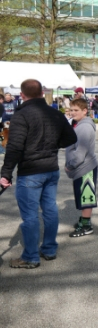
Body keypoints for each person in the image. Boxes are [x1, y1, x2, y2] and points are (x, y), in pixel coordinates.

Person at [0, 79, 77, 268]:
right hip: (50, 169)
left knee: (30, 215)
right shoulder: (55, 113)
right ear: (42, 93)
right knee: (50, 209)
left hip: (31, 172)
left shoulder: (22, 114)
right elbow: (70, 137)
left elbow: (15, 146)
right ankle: (49, 249)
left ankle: (30, 257)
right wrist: (50, 146)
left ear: (22, 95)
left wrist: (6, 173)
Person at [64, 98, 98, 237]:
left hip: (85, 167)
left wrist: (70, 166)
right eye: (71, 110)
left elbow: (80, 153)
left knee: (86, 196)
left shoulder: (84, 127)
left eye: (76, 110)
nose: (73, 113)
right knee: (83, 195)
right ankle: (84, 220)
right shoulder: (80, 125)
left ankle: (86, 225)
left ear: (85, 111)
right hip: (82, 167)